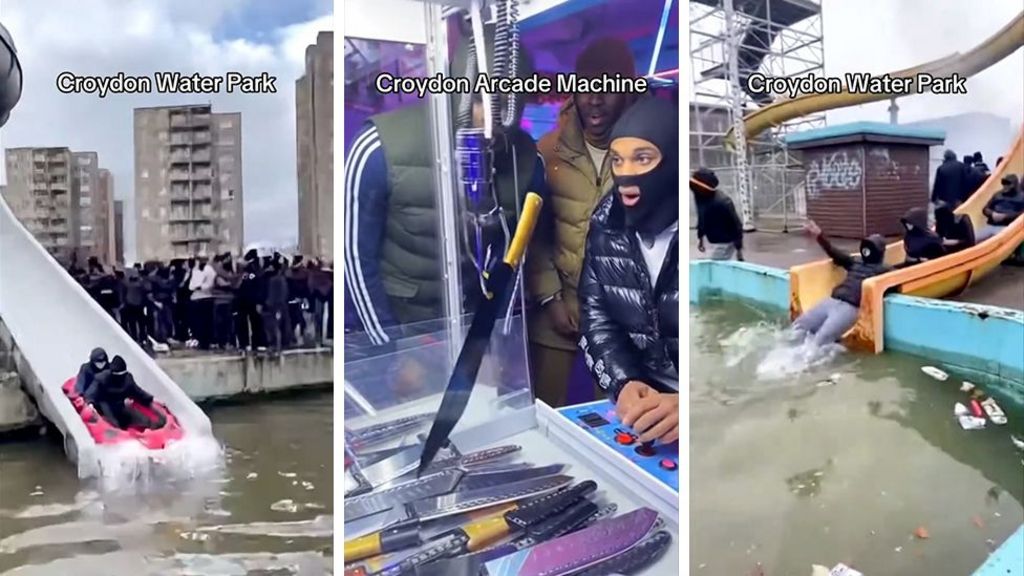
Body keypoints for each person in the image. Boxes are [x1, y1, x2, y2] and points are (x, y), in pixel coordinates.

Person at [344, 25, 548, 346]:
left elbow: (514, 266)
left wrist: (494, 343)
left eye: (504, 103)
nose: (490, 118)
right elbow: (355, 256)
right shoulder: (379, 146)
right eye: (479, 100)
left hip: (472, 329)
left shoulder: (529, 163)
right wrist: (391, 349)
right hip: (401, 324)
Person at [525, 37, 640, 407]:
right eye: (587, 85)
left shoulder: (646, 151)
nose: (595, 98)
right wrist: (549, 297)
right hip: (557, 309)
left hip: (623, 317)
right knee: (543, 410)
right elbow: (533, 235)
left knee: (622, 419)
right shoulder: (547, 151)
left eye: (608, 86)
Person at [578, 97, 679, 445]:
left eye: (643, 158)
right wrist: (622, 382)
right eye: (618, 160)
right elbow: (596, 318)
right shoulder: (605, 227)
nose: (627, 173)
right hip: (644, 411)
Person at [793, 221, 891, 347]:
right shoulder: (855, 261)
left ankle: (801, 358)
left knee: (820, 341)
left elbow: (902, 275)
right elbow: (834, 252)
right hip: (831, 301)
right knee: (798, 328)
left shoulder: (885, 270)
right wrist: (819, 236)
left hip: (850, 308)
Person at [84, 356, 155, 430]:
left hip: (120, 403)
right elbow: (91, 392)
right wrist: (90, 403)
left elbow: (137, 391)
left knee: (144, 421)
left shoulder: (127, 379)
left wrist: (150, 399)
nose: (120, 377)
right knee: (114, 424)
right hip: (105, 403)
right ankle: (118, 429)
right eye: (118, 374)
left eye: (122, 374)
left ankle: (145, 428)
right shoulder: (102, 379)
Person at [691, 167, 744, 261]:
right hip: (712, 239)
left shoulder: (723, 202)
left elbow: (736, 225)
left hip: (725, 242)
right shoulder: (700, 197)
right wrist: (700, 238)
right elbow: (701, 217)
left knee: (714, 265)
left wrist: (739, 249)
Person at [977, 174, 1024, 242]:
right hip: (991, 225)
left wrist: (1005, 216)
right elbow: (985, 209)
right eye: (1004, 183)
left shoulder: (1021, 197)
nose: (1005, 186)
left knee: (995, 240)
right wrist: (992, 214)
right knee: (973, 239)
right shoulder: (998, 194)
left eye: (1008, 184)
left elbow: (1021, 215)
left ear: (1014, 185)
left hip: (1007, 227)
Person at [188, 257, 217, 350]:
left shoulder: (205, 270)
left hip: (202, 298)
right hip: (202, 298)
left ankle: (204, 342)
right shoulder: (199, 270)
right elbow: (192, 286)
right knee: (202, 322)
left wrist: (200, 286)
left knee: (203, 322)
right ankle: (203, 341)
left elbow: (194, 285)